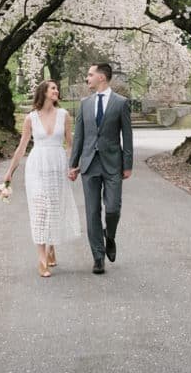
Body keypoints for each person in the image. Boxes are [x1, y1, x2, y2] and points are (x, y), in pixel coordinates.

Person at [1, 80, 82, 277]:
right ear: (43, 92)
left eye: (56, 88)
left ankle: (52, 246)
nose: (56, 91)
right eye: (52, 88)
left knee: (54, 208)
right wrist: (10, 172)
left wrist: (73, 166)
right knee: (40, 209)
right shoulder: (31, 118)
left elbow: (70, 144)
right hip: (37, 166)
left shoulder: (64, 116)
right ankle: (42, 258)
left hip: (57, 165)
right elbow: (22, 147)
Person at [67, 62, 133, 274]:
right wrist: (73, 164)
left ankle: (110, 236)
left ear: (101, 77)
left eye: (90, 75)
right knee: (92, 211)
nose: (87, 78)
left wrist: (128, 164)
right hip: (89, 165)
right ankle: (98, 257)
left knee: (113, 208)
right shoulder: (85, 103)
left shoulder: (121, 103)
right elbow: (80, 136)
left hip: (113, 164)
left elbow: (127, 137)